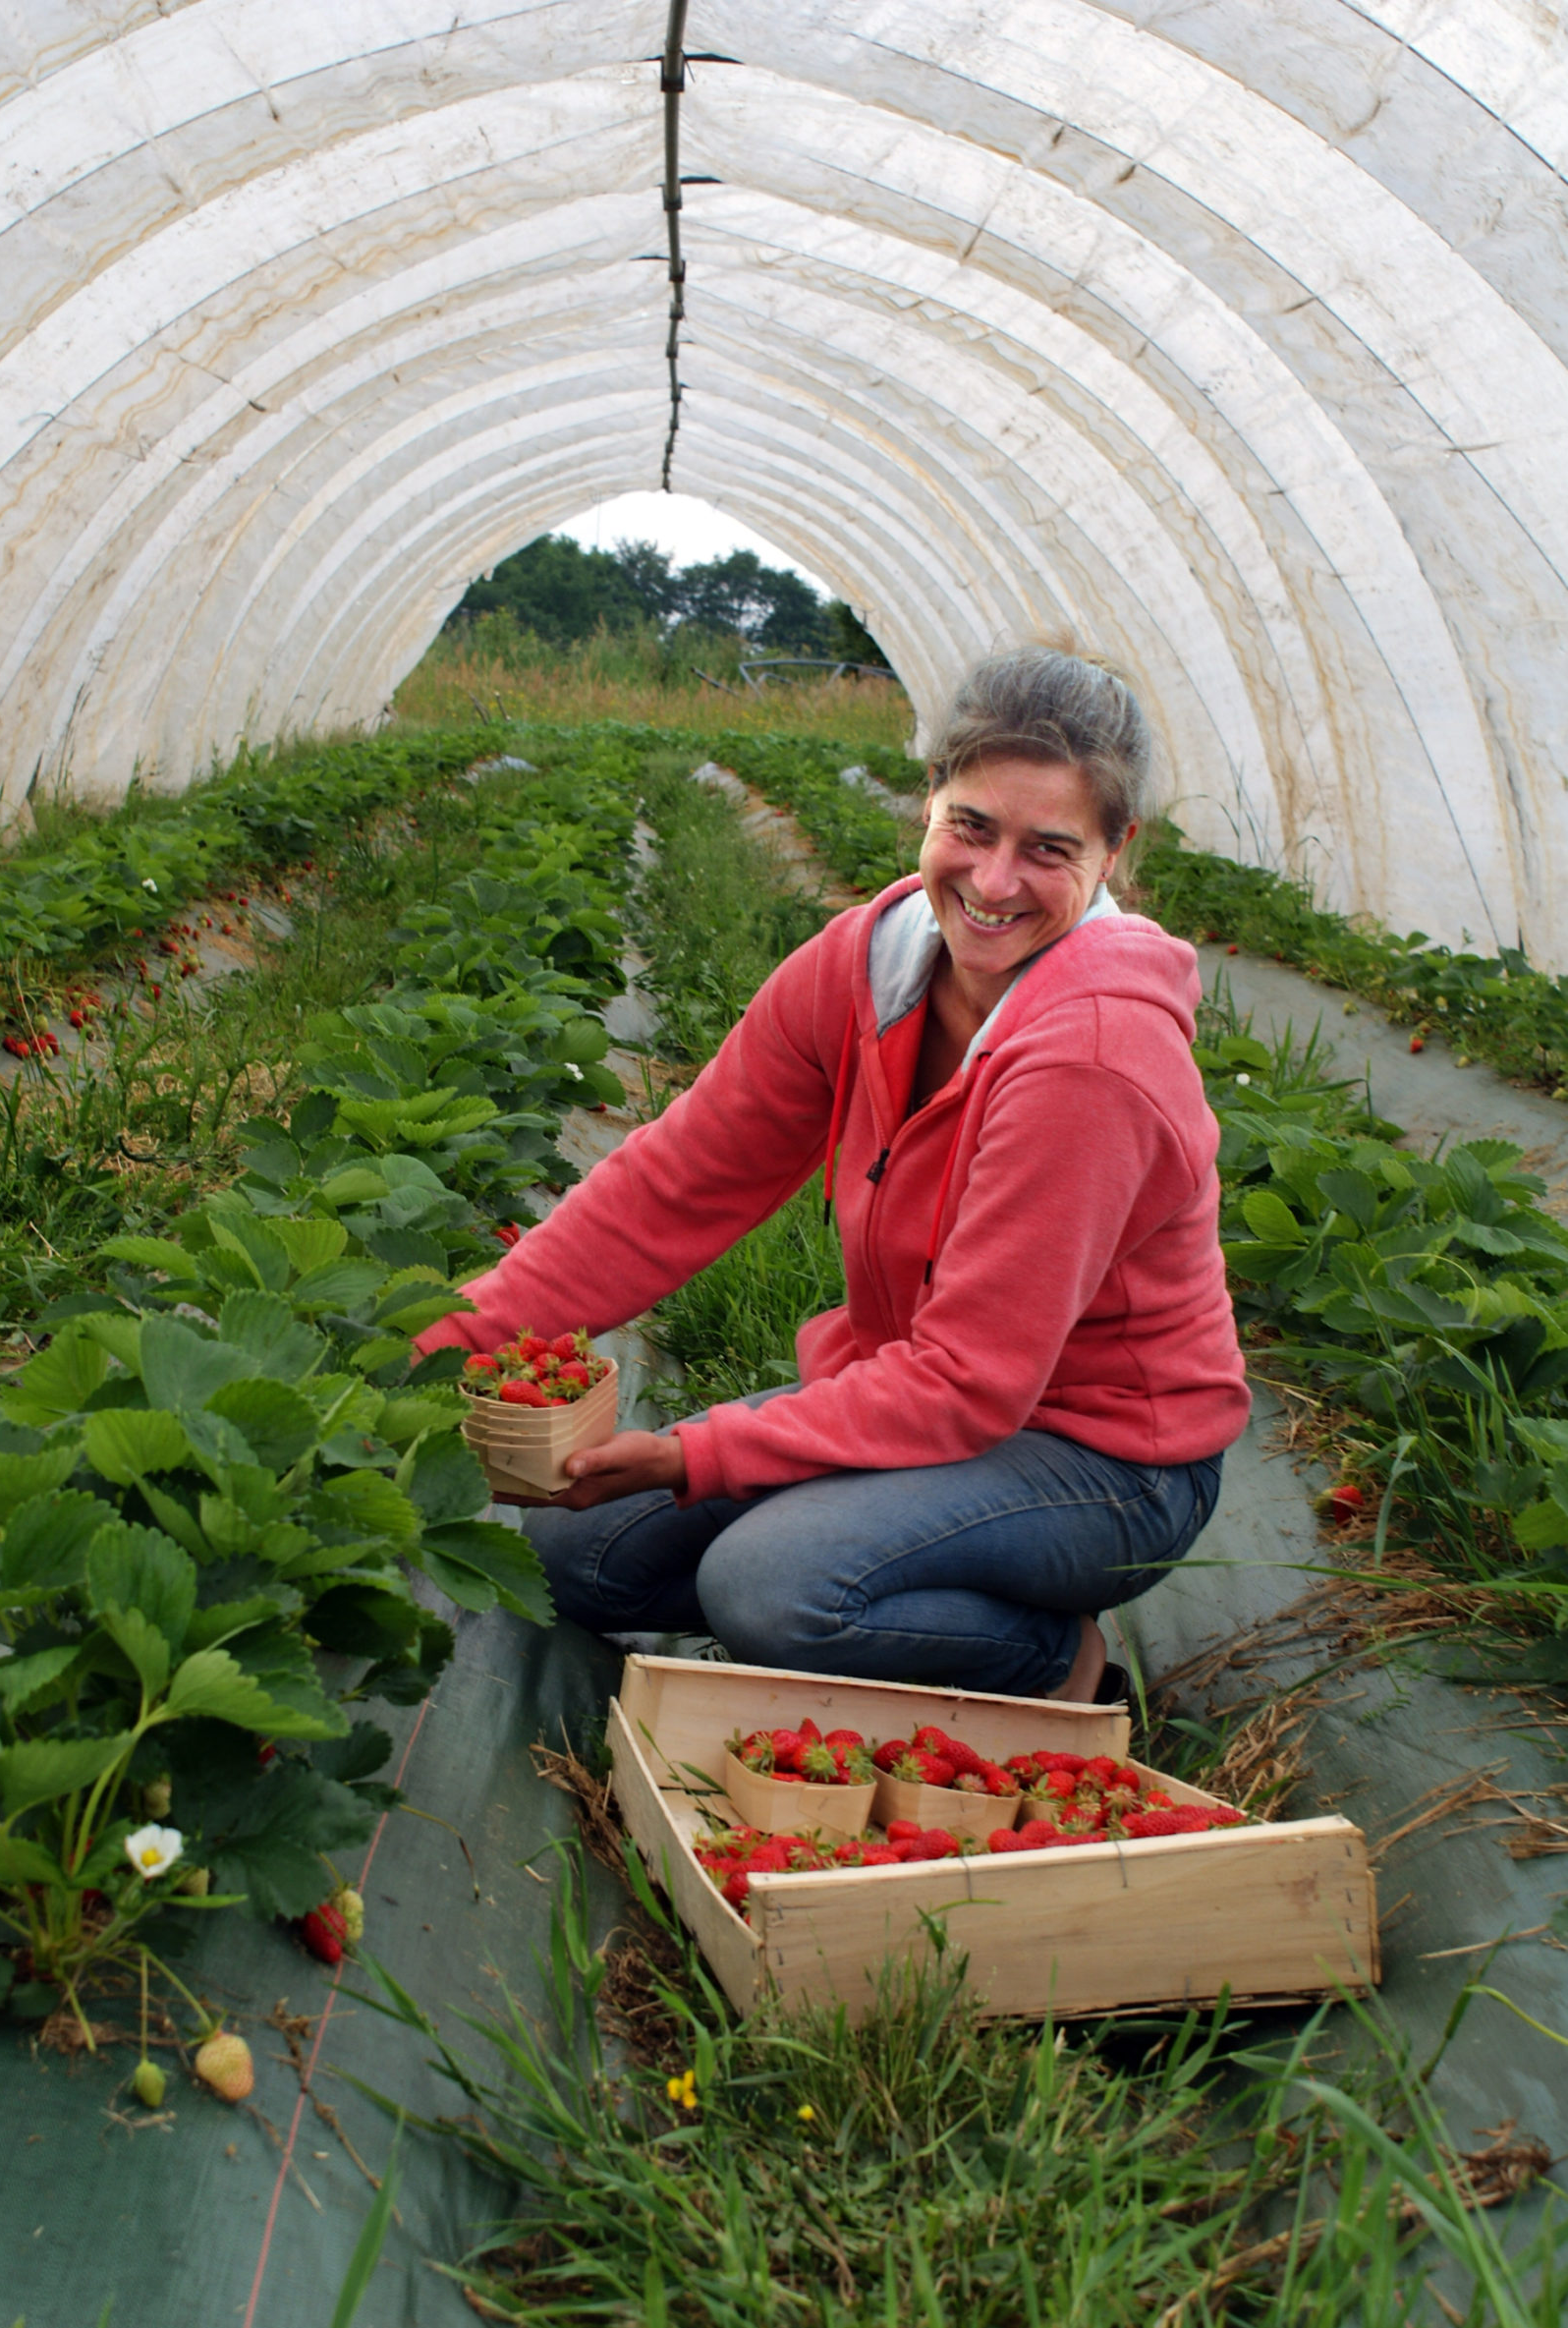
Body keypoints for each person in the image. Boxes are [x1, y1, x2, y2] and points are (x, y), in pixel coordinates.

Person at [415, 646, 1250, 1700]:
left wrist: (696, 1455)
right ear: (928, 798)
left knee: (774, 1588)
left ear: (1116, 848)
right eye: (972, 827)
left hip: (1107, 1459)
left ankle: (1056, 1658)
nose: (994, 883)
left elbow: (969, 1384)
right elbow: (671, 1186)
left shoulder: (1092, 1058)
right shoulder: (864, 969)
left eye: (1048, 848)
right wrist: (440, 1341)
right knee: (574, 1554)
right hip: (919, 1401)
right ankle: (926, 1565)